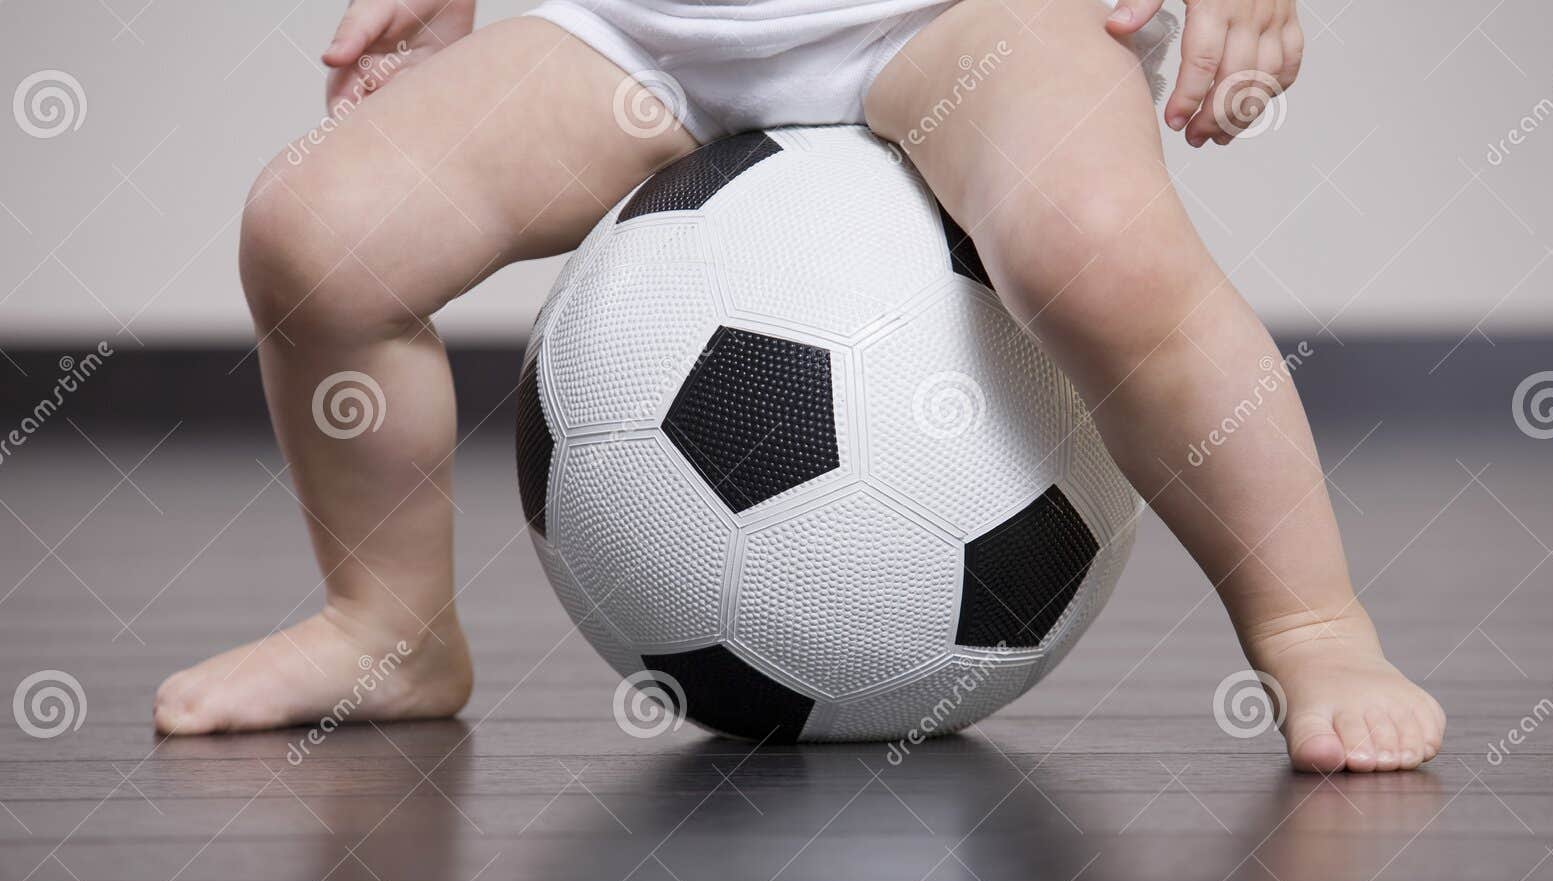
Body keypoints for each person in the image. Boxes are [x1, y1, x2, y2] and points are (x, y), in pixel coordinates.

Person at [154, 0, 1445, 773]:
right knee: (313, 228)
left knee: (1096, 243)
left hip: (964, 20)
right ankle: (388, 620)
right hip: (652, 30)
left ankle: (1311, 623)